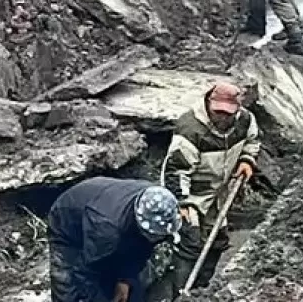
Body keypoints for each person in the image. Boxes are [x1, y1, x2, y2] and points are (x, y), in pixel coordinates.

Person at [148, 82, 260, 300]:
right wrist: (182, 203)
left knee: (216, 241)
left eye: (228, 113)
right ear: (209, 102)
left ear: (237, 109)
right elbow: (176, 171)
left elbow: (253, 141)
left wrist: (247, 159)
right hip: (193, 194)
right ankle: (180, 293)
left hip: (219, 193)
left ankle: (202, 289)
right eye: (217, 111)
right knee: (189, 242)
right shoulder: (191, 129)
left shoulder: (245, 121)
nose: (222, 117)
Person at [47, 178, 181, 302]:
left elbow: (142, 247)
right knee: (68, 288)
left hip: (102, 210)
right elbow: (85, 273)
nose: (158, 239)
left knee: (129, 288)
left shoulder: (157, 199)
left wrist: (125, 279)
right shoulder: (107, 229)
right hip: (67, 226)